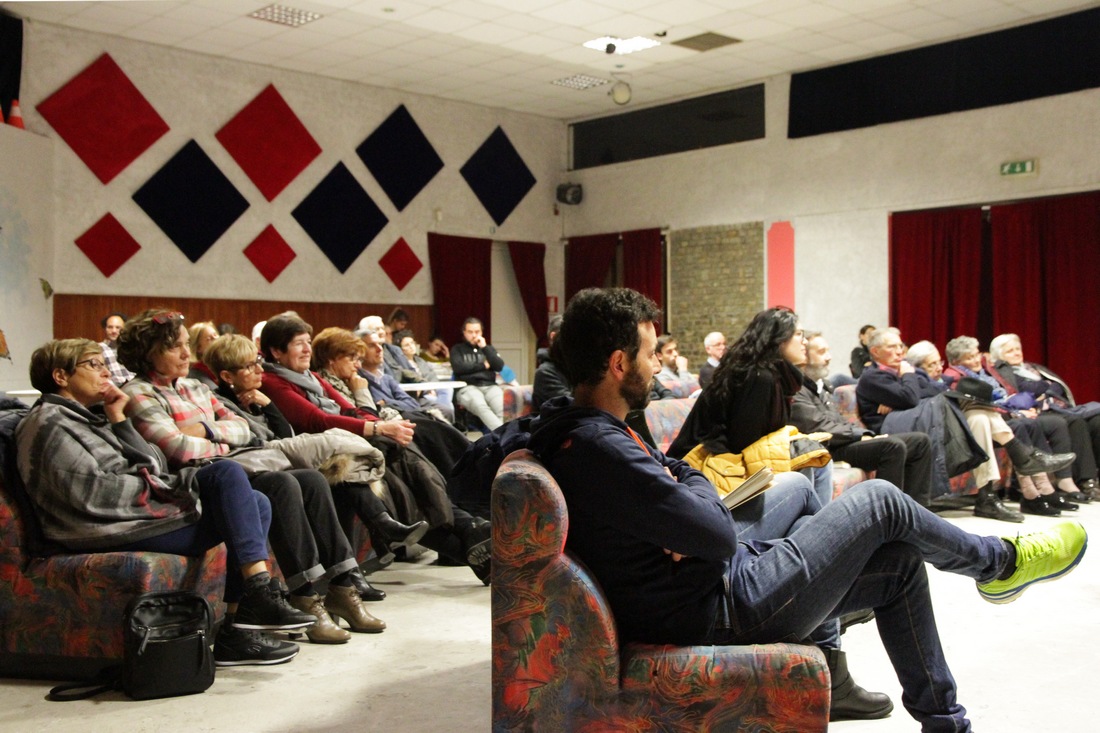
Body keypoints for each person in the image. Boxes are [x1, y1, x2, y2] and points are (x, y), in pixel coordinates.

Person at [528, 287, 1087, 732]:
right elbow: (716, 531)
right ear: (620, 362)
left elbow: (691, 503)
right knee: (879, 500)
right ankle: (998, 564)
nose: (658, 366)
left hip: (711, 586)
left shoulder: (585, 428)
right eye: (652, 355)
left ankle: (945, 722)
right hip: (722, 607)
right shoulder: (604, 447)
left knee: (897, 565)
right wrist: (690, 479)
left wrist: (682, 481)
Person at [16, 338, 314, 666]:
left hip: (128, 515)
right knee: (225, 474)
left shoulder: (91, 416)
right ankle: (259, 592)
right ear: (60, 376)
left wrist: (119, 419)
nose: (106, 372)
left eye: (104, 363)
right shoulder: (48, 423)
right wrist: (168, 490)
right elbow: (91, 494)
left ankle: (237, 630)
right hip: (96, 527)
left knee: (256, 502)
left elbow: (151, 464)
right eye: (93, 365)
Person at [117, 311, 386, 641]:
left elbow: (245, 428)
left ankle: (343, 588)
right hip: (194, 484)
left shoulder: (194, 387)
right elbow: (179, 450)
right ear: (147, 352)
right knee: (283, 482)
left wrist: (203, 429)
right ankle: (305, 598)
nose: (187, 354)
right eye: (175, 348)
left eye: (187, 345)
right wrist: (219, 438)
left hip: (234, 468)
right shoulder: (138, 393)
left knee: (311, 479)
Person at [257, 313, 493, 584]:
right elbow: (316, 420)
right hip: (325, 453)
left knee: (407, 452)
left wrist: (381, 427)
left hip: (352, 445)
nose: (307, 349)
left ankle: (469, 534)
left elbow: (351, 410)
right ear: (276, 350)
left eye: (308, 342)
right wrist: (378, 428)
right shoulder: (273, 381)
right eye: (299, 343)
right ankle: (468, 532)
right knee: (396, 477)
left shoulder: (310, 377)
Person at [202, 333, 419, 597]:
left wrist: (268, 405)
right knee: (324, 472)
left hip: (281, 458)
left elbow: (289, 432)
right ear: (227, 376)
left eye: (258, 361)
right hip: (251, 467)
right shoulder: (226, 400)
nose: (259, 369)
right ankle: (318, 587)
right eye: (250, 366)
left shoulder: (263, 393)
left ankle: (346, 581)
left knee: (341, 474)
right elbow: (273, 437)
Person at [857, 328, 1073, 522]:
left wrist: (904, 394)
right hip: (893, 427)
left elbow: (937, 390)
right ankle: (1023, 459)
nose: (899, 351)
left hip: (920, 417)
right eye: (891, 347)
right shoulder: (873, 376)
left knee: (979, 417)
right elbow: (913, 397)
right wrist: (908, 380)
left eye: (899, 346)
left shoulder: (909, 372)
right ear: (875, 351)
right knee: (974, 410)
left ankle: (987, 496)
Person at [669, 307, 833, 506]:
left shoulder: (776, 375)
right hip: (704, 464)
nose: (805, 342)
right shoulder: (758, 376)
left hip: (732, 459)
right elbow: (743, 441)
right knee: (804, 461)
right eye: (798, 334)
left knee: (814, 458)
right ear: (779, 340)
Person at [943, 335, 1087, 512]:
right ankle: (1029, 488)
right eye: (969, 357)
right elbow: (976, 403)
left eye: (976, 354)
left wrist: (1023, 406)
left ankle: (1043, 487)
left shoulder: (986, 369)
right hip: (979, 418)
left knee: (1036, 424)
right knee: (1019, 425)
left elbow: (1010, 391)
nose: (976, 360)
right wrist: (1014, 411)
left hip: (998, 415)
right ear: (957, 361)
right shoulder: (954, 375)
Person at [791, 331, 935, 506]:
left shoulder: (822, 384)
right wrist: (860, 434)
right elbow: (818, 427)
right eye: (822, 352)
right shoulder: (795, 389)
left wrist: (861, 434)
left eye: (828, 351)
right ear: (803, 354)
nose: (829, 357)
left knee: (920, 442)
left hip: (841, 440)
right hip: (824, 448)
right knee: (891, 447)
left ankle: (917, 510)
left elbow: (837, 421)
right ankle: (887, 515)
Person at [313, 327, 469, 477]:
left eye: (358, 358)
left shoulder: (363, 379)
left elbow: (405, 403)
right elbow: (363, 416)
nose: (357, 364)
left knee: (434, 427)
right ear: (332, 359)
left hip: (384, 423)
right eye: (352, 358)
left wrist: (384, 406)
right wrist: (363, 393)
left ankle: (467, 470)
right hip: (367, 437)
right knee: (424, 435)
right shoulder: (333, 384)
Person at [989, 332, 1100, 500]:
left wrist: (1042, 387)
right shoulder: (1001, 372)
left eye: (1018, 349)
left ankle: (1090, 478)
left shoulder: (1032, 367)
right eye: (1010, 351)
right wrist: (1043, 387)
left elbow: (1056, 387)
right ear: (999, 356)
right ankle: (1080, 481)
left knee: (1095, 421)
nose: (1017, 353)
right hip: (1034, 413)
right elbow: (1030, 390)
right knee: (1074, 422)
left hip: (1058, 408)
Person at [450, 317, 505, 431]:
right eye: (470, 332)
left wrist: (484, 347)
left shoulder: (488, 349)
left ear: (482, 332)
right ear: (464, 332)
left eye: (477, 332)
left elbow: (499, 366)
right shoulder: (457, 349)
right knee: (481, 406)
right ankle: (503, 435)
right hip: (467, 387)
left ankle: (499, 438)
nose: (474, 335)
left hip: (490, 386)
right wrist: (483, 366)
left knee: (502, 407)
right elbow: (459, 368)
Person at [394, 329, 455, 422]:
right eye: (407, 345)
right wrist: (427, 389)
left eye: (412, 343)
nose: (411, 346)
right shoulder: (400, 364)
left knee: (447, 389)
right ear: (400, 349)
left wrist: (433, 388)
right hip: (420, 395)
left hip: (431, 390)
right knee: (449, 407)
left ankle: (444, 415)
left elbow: (432, 375)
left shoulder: (420, 361)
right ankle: (447, 419)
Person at [532, 315, 570, 414]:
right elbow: (573, 406)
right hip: (556, 426)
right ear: (554, 337)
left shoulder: (575, 366)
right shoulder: (544, 373)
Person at [98, 312, 134, 387]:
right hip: (114, 389)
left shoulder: (132, 347)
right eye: (110, 327)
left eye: (118, 328)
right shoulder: (98, 348)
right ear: (105, 329)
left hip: (135, 387)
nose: (114, 331)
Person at [187, 321, 220, 389]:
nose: (217, 339)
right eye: (209, 339)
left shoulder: (227, 363)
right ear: (198, 348)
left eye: (215, 334)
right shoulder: (196, 374)